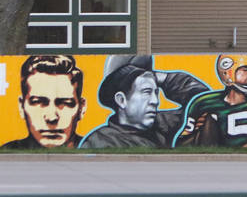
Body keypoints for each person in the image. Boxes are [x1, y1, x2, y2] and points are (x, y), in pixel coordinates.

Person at [78, 55, 208, 149]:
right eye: (146, 92)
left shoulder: (163, 123)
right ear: (121, 100)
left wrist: (164, 78)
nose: (155, 101)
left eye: (156, 93)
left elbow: (204, 103)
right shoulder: (101, 142)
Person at [176, 54, 247, 147]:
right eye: (246, 69)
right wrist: (200, 133)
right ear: (227, 72)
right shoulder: (202, 103)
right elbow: (181, 145)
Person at [1, 55, 87, 149]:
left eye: (65, 103)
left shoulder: (94, 146)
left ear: (81, 108)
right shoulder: (7, 152)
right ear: (22, 107)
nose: (52, 118)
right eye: (38, 102)